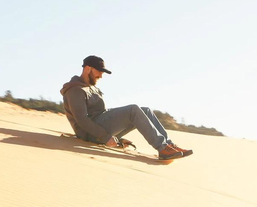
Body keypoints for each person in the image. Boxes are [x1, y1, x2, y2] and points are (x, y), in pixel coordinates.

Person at [60, 56, 193, 160]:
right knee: (132, 110)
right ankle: (162, 148)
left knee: (145, 110)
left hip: (100, 125)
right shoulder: (75, 89)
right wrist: (105, 137)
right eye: (99, 71)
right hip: (90, 133)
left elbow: (103, 114)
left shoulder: (90, 87)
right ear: (88, 68)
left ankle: (168, 145)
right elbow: (82, 120)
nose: (101, 75)